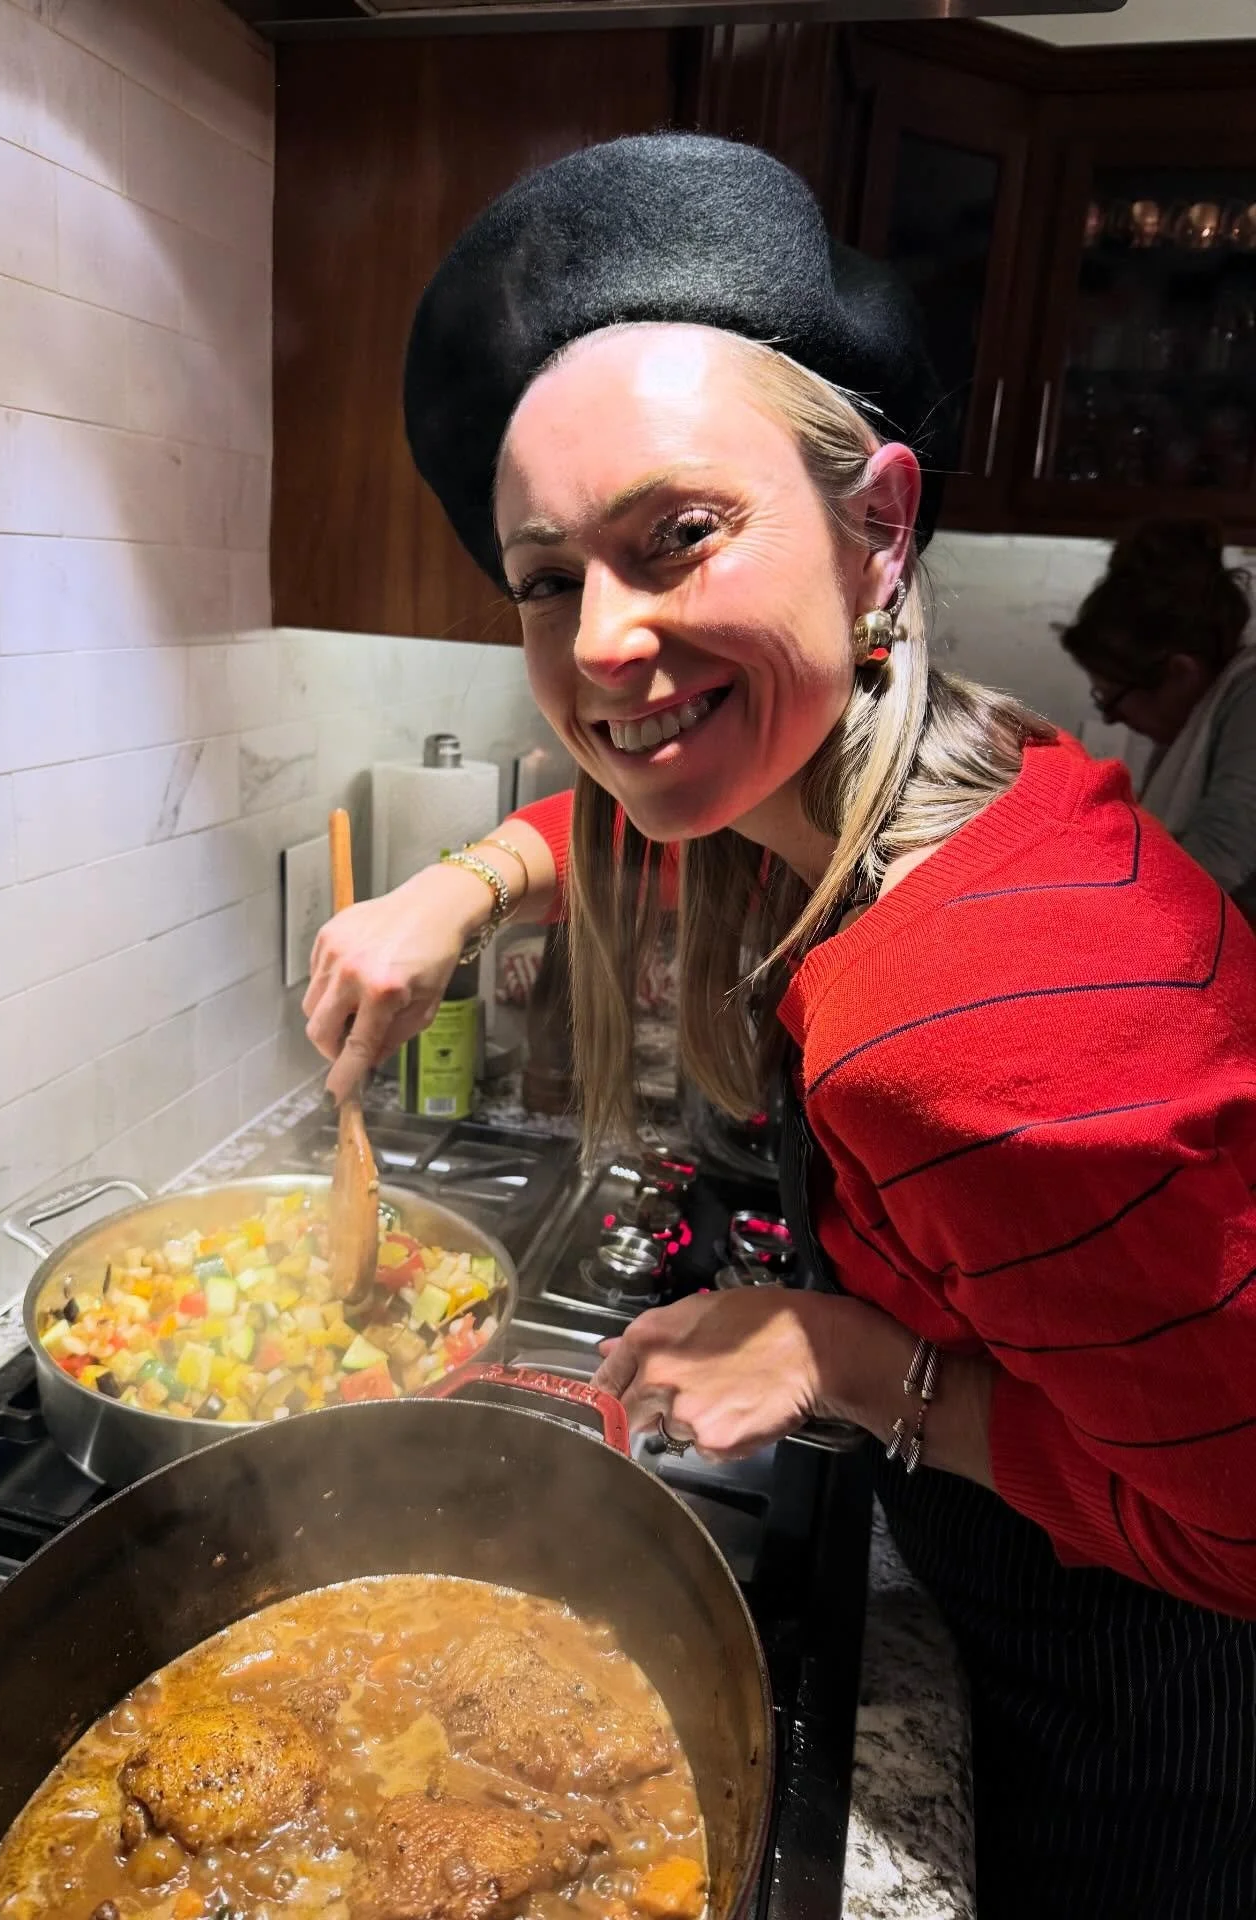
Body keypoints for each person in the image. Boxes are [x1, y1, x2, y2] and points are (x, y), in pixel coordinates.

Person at [303, 135, 1256, 1919]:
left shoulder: (972, 1021)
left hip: (1166, 1718)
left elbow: (1240, 1531)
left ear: (879, 526)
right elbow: (665, 794)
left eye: (679, 537)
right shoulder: (940, 773)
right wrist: (464, 886)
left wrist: (848, 1362)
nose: (605, 645)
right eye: (547, 578)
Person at [1062, 518, 1256, 917]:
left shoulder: (1249, 697)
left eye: (1114, 700)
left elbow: (1222, 855)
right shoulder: (1202, 714)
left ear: (1181, 674)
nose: (1112, 720)